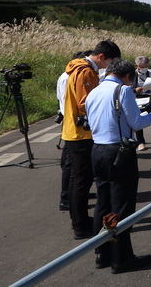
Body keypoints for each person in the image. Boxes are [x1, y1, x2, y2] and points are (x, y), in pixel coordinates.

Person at [86, 59, 151, 273]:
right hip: (119, 150)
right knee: (122, 206)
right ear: (126, 76)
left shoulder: (94, 91)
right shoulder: (123, 91)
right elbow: (137, 123)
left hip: (97, 150)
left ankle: (101, 253)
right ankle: (122, 258)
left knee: (102, 202)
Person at [62, 40, 121, 240]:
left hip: (74, 131)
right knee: (82, 180)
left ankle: (79, 220)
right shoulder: (86, 71)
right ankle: (80, 225)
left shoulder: (79, 68)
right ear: (102, 56)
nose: (108, 67)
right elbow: (85, 104)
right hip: (81, 133)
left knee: (76, 179)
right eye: (109, 61)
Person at [56, 50, 91, 212]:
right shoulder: (68, 77)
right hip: (72, 126)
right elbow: (68, 102)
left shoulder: (71, 74)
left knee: (73, 167)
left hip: (72, 124)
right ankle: (66, 199)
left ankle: (71, 197)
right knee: (70, 165)